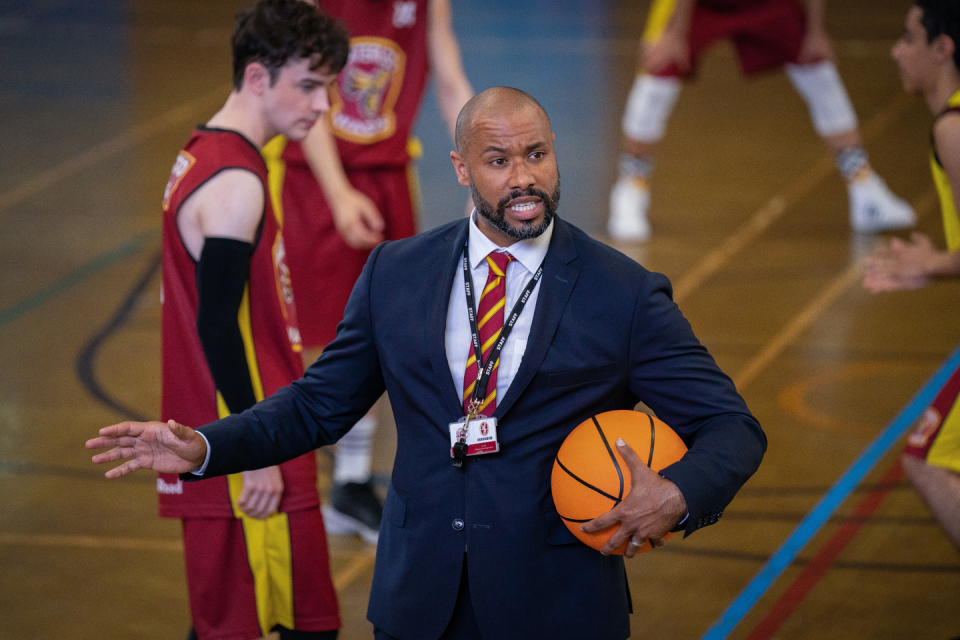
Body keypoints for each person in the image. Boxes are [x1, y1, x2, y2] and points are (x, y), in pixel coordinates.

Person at [89, 86, 766, 640]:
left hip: (558, 610)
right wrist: (207, 444)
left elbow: (731, 427)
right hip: (418, 605)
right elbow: (319, 404)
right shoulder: (395, 272)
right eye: (499, 160)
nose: (524, 177)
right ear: (461, 169)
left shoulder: (622, 292)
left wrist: (677, 494)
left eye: (537, 154)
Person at [154, 1, 348, 638]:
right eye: (310, 85)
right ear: (259, 77)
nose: (323, 106)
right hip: (247, 449)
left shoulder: (202, 153)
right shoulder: (238, 182)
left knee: (230, 622)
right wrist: (253, 451)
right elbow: (216, 327)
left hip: (228, 438)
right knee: (291, 626)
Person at [262, 0, 473, 544]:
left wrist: (487, 156)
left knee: (386, 332)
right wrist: (337, 193)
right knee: (310, 339)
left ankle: (352, 484)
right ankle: (281, 473)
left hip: (388, 176)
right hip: (316, 178)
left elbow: (450, 81)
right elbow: (302, 91)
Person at [608, 0, 917, 242]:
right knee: (656, 79)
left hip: (765, 2)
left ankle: (864, 190)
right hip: (699, 4)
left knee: (819, 70)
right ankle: (631, 188)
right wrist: (675, 34)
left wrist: (816, 29)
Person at [862, 0, 960, 553]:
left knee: (925, 462)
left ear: (943, 48)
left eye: (909, 37)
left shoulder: (952, 128)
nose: (897, 50)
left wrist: (934, 264)